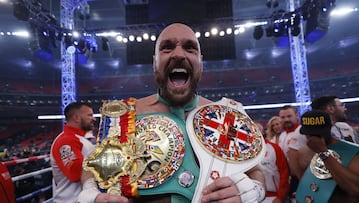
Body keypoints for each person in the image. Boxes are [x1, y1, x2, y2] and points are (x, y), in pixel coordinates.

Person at [78, 23, 266, 203]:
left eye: (190, 48)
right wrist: (90, 191)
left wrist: (253, 190)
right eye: (167, 48)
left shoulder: (227, 116)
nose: (178, 54)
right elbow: (93, 168)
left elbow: (255, 170)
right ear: (155, 63)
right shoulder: (126, 116)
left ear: (201, 63)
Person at [296, 110, 359, 203]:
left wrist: (323, 153)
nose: (313, 137)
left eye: (319, 133)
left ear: (329, 129)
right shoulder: (304, 152)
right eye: (309, 134)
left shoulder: (353, 152)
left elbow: (356, 189)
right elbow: (306, 189)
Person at [50, 102, 96, 203]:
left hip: (81, 198)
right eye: (89, 115)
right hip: (72, 199)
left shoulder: (79, 139)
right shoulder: (66, 140)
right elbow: (76, 174)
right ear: (76, 118)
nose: (94, 118)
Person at [278, 105, 307, 202]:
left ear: (297, 116)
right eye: (283, 117)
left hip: (303, 177)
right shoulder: (282, 135)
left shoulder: (303, 131)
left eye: (289, 116)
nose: (286, 119)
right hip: (289, 179)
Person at [257, 122, 291, 203]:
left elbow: (284, 173)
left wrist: (280, 197)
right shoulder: (244, 152)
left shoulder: (274, 148)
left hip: (273, 196)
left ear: (262, 131)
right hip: (254, 197)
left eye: (258, 130)